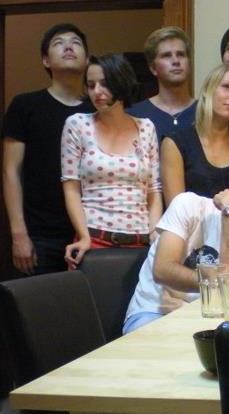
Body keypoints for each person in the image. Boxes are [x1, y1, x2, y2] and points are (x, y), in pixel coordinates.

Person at [123, 160, 229, 333]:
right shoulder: (189, 205)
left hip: (207, 323)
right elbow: (162, 270)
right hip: (154, 313)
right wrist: (216, 281)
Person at [2, 23, 93, 276]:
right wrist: (19, 233)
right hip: (39, 235)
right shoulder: (25, 106)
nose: (68, 47)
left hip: (90, 233)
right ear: (45, 60)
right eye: (58, 43)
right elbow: (10, 172)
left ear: (87, 59)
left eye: (76, 43)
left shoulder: (98, 109)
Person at [61, 54, 163, 268]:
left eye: (105, 84)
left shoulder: (146, 127)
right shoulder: (77, 124)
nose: (97, 91)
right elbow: (71, 188)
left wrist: (155, 236)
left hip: (141, 239)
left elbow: (154, 190)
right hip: (93, 237)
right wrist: (83, 236)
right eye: (91, 85)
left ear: (121, 82)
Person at [160, 63, 229, 207]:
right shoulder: (175, 144)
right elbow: (176, 211)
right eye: (227, 86)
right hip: (188, 221)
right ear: (208, 91)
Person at [127, 26, 196, 141]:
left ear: (189, 63)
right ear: (153, 68)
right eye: (166, 55)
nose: (176, 61)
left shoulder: (207, 113)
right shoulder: (134, 116)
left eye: (181, 54)